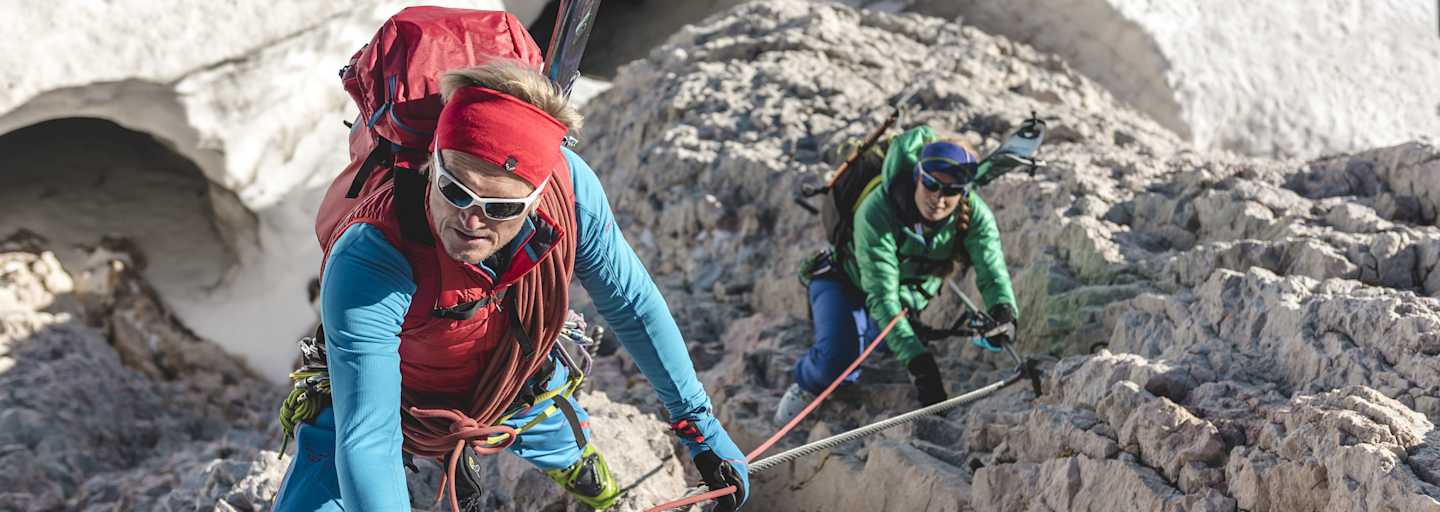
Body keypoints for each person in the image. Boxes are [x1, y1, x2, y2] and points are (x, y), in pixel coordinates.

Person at [273, 61, 749, 511]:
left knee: (556, 438)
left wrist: (699, 424)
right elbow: (369, 437)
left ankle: (584, 472)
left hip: (512, 379)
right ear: (430, 164)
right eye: (455, 191)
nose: (471, 221)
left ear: (538, 199)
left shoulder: (570, 192)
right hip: (393, 396)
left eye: (501, 208)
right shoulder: (372, 255)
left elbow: (632, 304)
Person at [775, 125, 1019, 424]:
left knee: (884, 338)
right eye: (931, 184)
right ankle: (804, 384)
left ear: (964, 191)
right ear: (918, 176)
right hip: (844, 281)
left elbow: (992, 269)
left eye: (952, 191)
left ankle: (864, 334)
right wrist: (922, 367)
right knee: (839, 363)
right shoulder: (878, 208)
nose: (939, 199)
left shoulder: (975, 215)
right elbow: (881, 295)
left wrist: (1004, 312)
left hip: (906, 295)